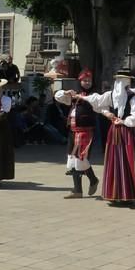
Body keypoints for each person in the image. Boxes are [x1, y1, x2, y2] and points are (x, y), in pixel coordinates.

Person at [85, 69, 135, 204]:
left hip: (129, 133)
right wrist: (107, 113)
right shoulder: (112, 95)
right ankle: (115, 193)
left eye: (123, 80)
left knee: (129, 161)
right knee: (115, 162)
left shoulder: (132, 97)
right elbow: (98, 103)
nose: (120, 83)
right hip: (115, 132)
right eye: (118, 80)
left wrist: (124, 121)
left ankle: (129, 194)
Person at [55, 69, 101, 199]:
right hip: (73, 131)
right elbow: (57, 96)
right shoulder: (74, 94)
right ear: (80, 81)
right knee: (73, 159)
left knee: (81, 159)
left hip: (85, 132)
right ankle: (78, 190)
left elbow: (97, 102)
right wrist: (66, 92)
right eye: (84, 80)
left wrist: (81, 97)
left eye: (89, 81)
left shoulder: (94, 95)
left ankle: (92, 180)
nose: (87, 83)